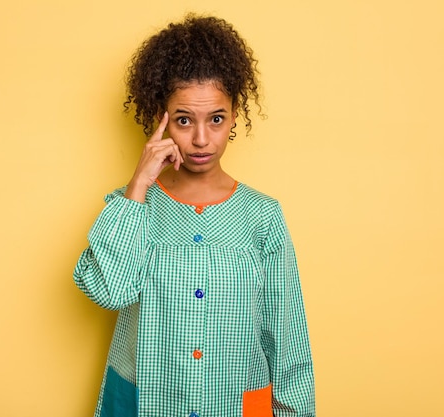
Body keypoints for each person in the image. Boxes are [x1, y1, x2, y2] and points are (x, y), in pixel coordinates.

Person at [74, 14, 315, 417]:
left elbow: (287, 339)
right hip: (144, 402)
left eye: (216, 119)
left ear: (235, 115)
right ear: (160, 117)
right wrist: (137, 187)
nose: (201, 139)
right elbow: (109, 292)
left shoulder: (262, 216)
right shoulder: (130, 208)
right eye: (184, 120)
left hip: (235, 405)